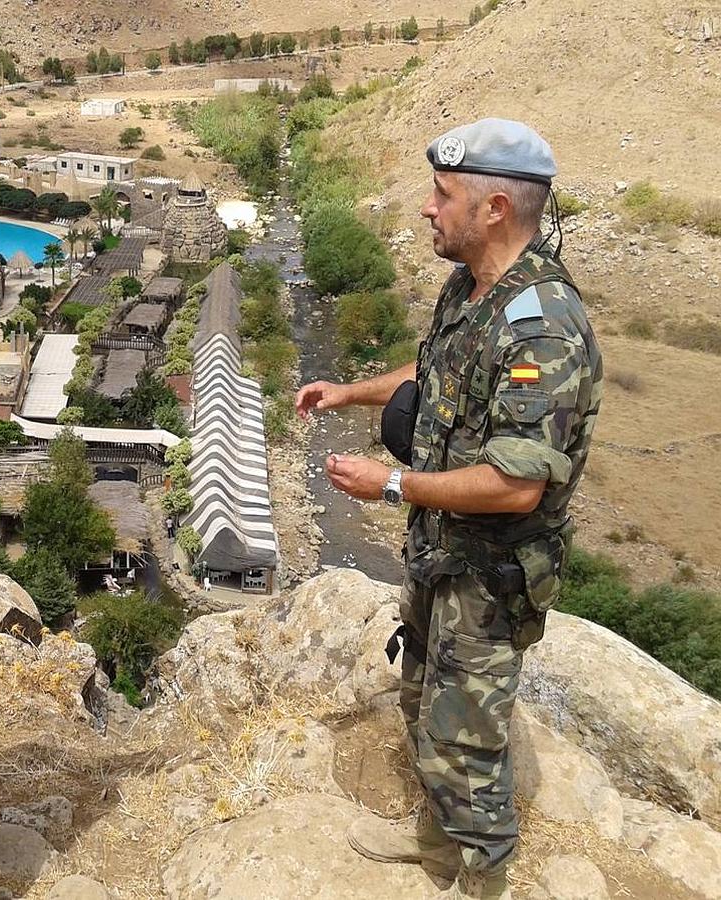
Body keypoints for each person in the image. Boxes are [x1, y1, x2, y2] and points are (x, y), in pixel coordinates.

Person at [296, 119, 603, 900]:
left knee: (466, 742)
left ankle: (483, 879)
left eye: (443, 195)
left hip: (491, 577)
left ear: (495, 207)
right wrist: (352, 390)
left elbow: (515, 483)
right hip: (442, 554)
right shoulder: (471, 290)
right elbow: (434, 371)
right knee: (422, 701)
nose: (427, 209)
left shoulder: (544, 324)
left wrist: (390, 485)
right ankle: (436, 844)